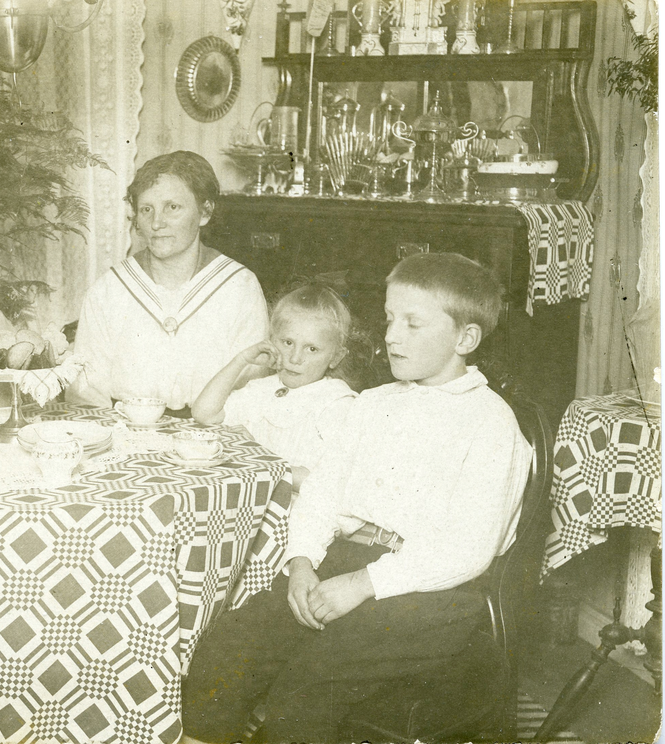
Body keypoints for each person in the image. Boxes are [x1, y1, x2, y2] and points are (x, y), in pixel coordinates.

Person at [180, 253, 532, 744]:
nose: (392, 336)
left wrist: (363, 584)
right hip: (343, 561)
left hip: (433, 593)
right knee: (227, 649)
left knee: (305, 688)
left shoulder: (491, 424)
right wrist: (302, 562)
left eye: (412, 323)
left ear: (465, 339)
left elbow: (466, 551)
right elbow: (322, 493)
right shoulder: (373, 404)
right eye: (389, 319)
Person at [68, 151, 268, 416]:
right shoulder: (109, 289)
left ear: (205, 212)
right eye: (146, 209)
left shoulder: (239, 286)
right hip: (123, 429)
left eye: (172, 207)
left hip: (212, 431)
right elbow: (87, 393)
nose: (156, 223)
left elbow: (252, 389)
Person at [192, 284, 358, 489]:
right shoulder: (262, 389)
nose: (295, 358)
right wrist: (241, 360)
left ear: (336, 357)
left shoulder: (336, 402)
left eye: (312, 349)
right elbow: (204, 414)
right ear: (271, 342)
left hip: (295, 505)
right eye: (287, 342)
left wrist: (258, 458)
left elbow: (324, 481)